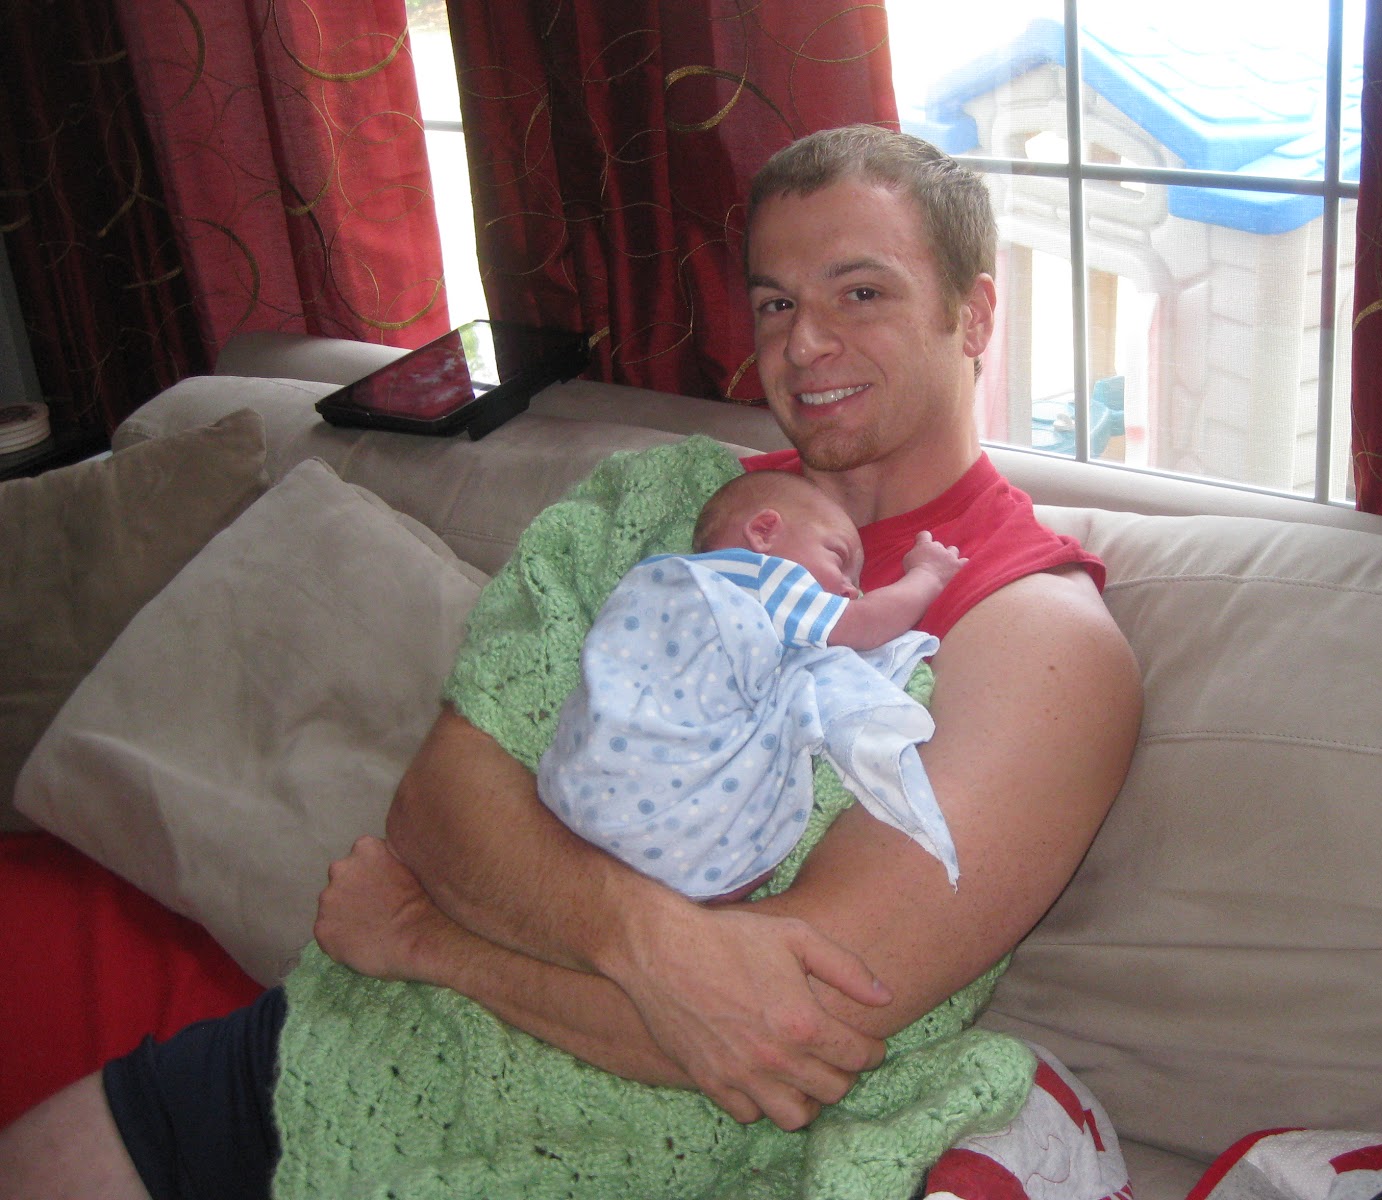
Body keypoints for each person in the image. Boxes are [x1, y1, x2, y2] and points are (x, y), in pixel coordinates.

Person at [0, 123, 1143, 1198]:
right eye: (775, 302)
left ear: (972, 314)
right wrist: (648, 938)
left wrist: (437, 945)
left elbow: (786, 1027)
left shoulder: (1035, 641)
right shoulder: (664, 505)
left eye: (861, 293)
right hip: (339, 1047)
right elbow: (437, 808)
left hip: (623, 1150)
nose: (803, 345)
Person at [539, 468, 968, 903]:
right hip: (657, 809)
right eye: (839, 560)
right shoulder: (758, 577)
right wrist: (928, 575)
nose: (850, 591)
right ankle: (708, 874)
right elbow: (864, 625)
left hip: (574, 791)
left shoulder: (651, 577)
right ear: (764, 532)